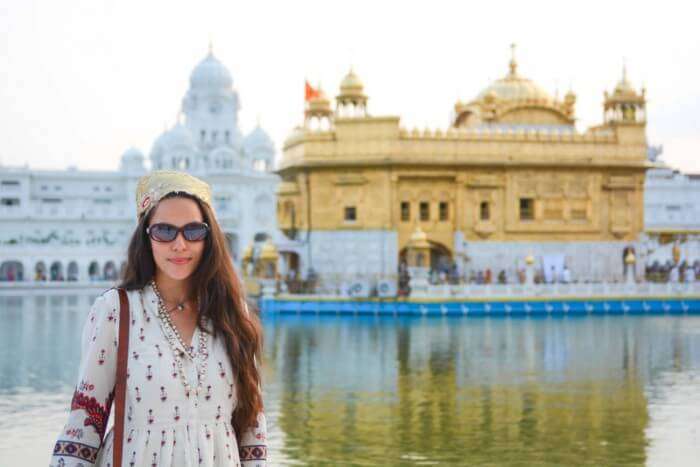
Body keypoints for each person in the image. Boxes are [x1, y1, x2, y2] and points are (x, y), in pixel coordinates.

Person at [51, 171, 267, 466]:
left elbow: (252, 428)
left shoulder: (232, 313)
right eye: (165, 231)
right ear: (146, 237)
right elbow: (85, 421)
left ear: (209, 238)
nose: (179, 244)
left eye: (193, 231)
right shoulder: (117, 311)